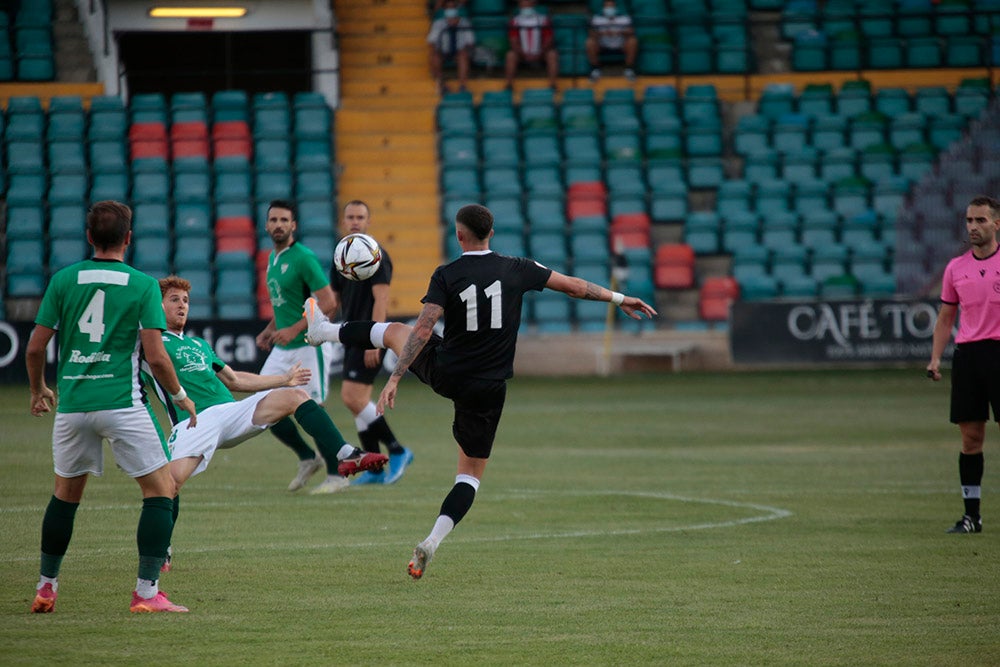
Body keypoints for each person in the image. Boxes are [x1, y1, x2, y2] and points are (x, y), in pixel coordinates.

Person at [303, 203, 657, 579]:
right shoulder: (519, 268)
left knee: (393, 331)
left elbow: (423, 329)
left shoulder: (447, 274)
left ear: (459, 235)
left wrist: (395, 377)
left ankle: (322, 332)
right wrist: (620, 300)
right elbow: (574, 286)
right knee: (469, 476)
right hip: (489, 387)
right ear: (492, 233)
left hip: (447, 372)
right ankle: (432, 541)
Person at [25, 200, 196, 614]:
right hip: (122, 403)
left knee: (65, 497)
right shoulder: (140, 284)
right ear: (129, 238)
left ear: (89, 237)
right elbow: (156, 357)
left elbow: (34, 347)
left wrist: (38, 390)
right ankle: (146, 592)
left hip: (74, 406)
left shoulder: (64, 280)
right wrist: (179, 396)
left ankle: (46, 587)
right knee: (161, 490)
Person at [146, 276, 387, 569]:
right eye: (174, 300)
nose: (182, 305)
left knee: (294, 395)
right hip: (193, 422)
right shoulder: (152, 342)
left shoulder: (198, 344)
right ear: (158, 306)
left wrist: (283, 380)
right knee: (168, 486)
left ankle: (346, 455)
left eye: (185, 300)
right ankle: (161, 549)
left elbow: (235, 380)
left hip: (230, 413)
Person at [257, 198, 352, 494]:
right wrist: (270, 329)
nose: (278, 225)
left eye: (284, 220)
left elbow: (328, 302)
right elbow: (286, 304)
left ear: (294, 225)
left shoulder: (303, 257)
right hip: (283, 347)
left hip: (310, 345)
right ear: (266, 224)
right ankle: (308, 457)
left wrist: (295, 329)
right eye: (273, 220)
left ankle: (338, 474)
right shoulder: (273, 259)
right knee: (262, 407)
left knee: (313, 407)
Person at [927, 195, 1000, 535]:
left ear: (996, 224)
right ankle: (972, 516)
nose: (973, 227)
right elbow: (946, 318)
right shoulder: (955, 268)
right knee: (971, 438)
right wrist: (935, 358)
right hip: (969, 356)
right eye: (969, 221)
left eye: (980, 220)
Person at [329, 201, 414, 486]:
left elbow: (382, 299)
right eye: (350, 216)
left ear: (368, 221)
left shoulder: (377, 255)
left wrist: (374, 341)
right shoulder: (340, 254)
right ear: (343, 221)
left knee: (352, 398)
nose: (355, 221)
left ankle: (398, 450)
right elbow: (335, 298)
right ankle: (375, 469)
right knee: (357, 402)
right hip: (350, 332)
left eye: (360, 217)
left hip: (368, 337)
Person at [504, 0, 559, 90]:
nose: (525, 3)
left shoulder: (543, 20)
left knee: (552, 54)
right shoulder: (515, 21)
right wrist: (524, 54)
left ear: (534, 2)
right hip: (522, 54)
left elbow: (549, 40)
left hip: (541, 53)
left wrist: (540, 53)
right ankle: (509, 85)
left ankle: (552, 84)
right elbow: (513, 42)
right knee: (510, 55)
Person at [427, 0, 475, 94]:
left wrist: (456, 25)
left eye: (453, 8)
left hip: (459, 52)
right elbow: (431, 41)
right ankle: (442, 84)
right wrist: (436, 51)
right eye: (448, 8)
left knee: (463, 55)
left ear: (457, 10)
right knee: (434, 57)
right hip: (444, 52)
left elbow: (471, 42)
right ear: (445, 10)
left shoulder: (464, 23)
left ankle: (462, 86)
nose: (451, 10)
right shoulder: (438, 23)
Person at [586, 0, 637, 82]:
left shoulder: (624, 18)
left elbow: (631, 31)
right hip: (603, 44)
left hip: (620, 43)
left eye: (611, 6)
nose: (609, 8)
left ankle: (629, 69)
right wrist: (603, 33)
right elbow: (591, 33)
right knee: (590, 42)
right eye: (607, 6)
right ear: (603, 8)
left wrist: (619, 32)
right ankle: (595, 69)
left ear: (615, 8)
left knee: (632, 41)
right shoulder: (597, 18)